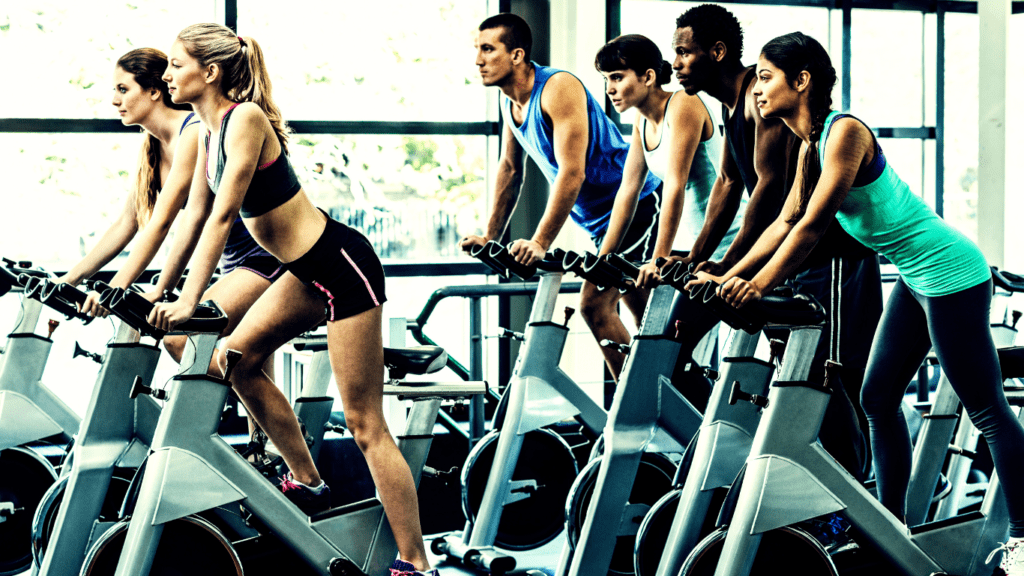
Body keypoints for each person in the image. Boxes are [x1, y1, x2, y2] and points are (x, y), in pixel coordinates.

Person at [701, 31, 1024, 574]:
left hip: (950, 272)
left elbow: (810, 228)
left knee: (986, 406)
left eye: (764, 76)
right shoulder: (810, 144)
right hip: (914, 278)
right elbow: (782, 221)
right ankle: (891, 527)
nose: (755, 89)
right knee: (876, 397)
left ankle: (1021, 537)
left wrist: (755, 287)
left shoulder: (845, 133)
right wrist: (722, 275)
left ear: (800, 81)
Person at [149, 23, 437, 576]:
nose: (166, 75)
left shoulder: (245, 119)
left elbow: (223, 217)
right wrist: (156, 293)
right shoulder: (208, 133)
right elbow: (190, 219)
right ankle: (307, 479)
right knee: (234, 362)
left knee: (364, 422)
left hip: (340, 266)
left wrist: (189, 302)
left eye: (175, 64)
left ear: (208, 73)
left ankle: (416, 563)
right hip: (303, 273)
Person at [661, 4, 882, 479]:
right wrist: (700, 261)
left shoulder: (763, 105)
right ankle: (818, 484)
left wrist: (732, 269)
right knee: (802, 374)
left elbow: (768, 196)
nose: (674, 62)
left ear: (717, 52)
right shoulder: (734, 107)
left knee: (833, 377)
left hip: (834, 259)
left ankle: (855, 493)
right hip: (791, 258)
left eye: (683, 52)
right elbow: (726, 184)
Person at [57, 47, 283, 385]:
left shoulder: (192, 132)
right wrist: (68, 280)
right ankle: (264, 436)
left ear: (153, 91)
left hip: (265, 255)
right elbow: (127, 223)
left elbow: (164, 223)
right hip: (230, 262)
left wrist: (117, 288)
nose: (115, 100)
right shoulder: (151, 144)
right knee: (247, 360)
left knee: (182, 341)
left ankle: (273, 425)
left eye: (123, 89)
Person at [459, 13, 662, 381]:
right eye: (477, 49)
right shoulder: (510, 102)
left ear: (517, 55)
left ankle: (632, 410)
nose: (478, 60)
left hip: (634, 208)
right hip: (599, 222)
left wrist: (539, 241)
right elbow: (509, 170)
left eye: (488, 49)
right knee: (648, 319)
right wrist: (491, 238)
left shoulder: (557, 88)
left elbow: (573, 172)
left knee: (595, 306)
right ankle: (662, 398)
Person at [595, 34, 744, 290]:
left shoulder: (682, 104)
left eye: (617, 77)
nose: (609, 89)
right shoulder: (642, 121)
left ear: (649, 77)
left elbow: (676, 184)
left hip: (730, 240)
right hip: (696, 247)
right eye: (606, 79)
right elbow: (628, 191)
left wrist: (657, 260)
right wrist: (602, 259)